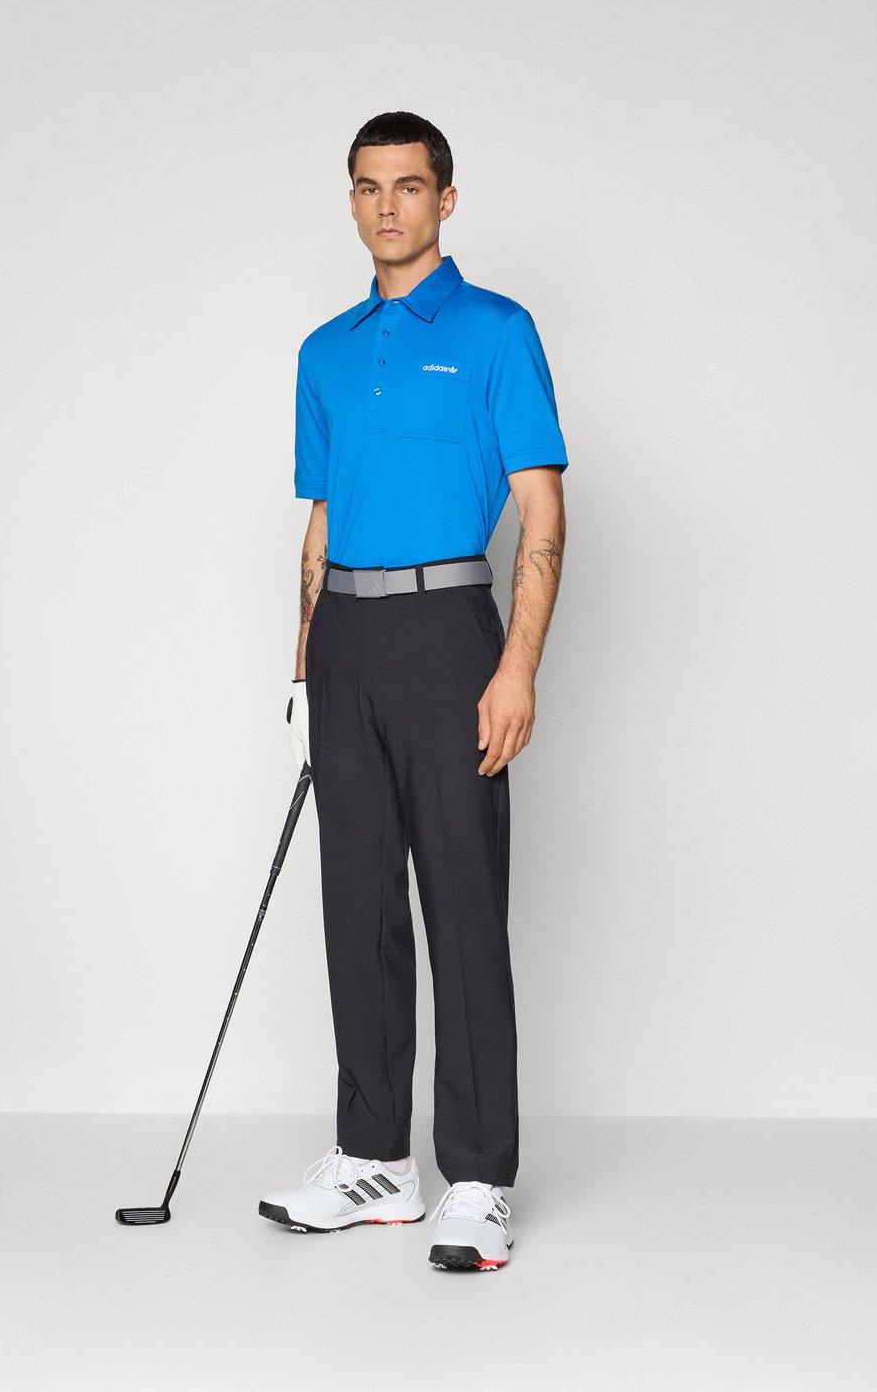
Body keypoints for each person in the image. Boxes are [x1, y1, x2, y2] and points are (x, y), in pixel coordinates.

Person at [261, 110, 568, 1272]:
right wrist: (304, 661)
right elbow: (320, 517)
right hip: (344, 635)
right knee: (357, 905)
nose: (385, 205)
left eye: (407, 185)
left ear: (445, 198)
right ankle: (374, 1159)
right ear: (350, 200)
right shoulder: (323, 352)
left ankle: (478, 1177)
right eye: (366, 186)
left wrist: (515, 666)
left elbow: (541, 511)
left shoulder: (497, 332)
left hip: (449, 632)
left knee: (461, 901)